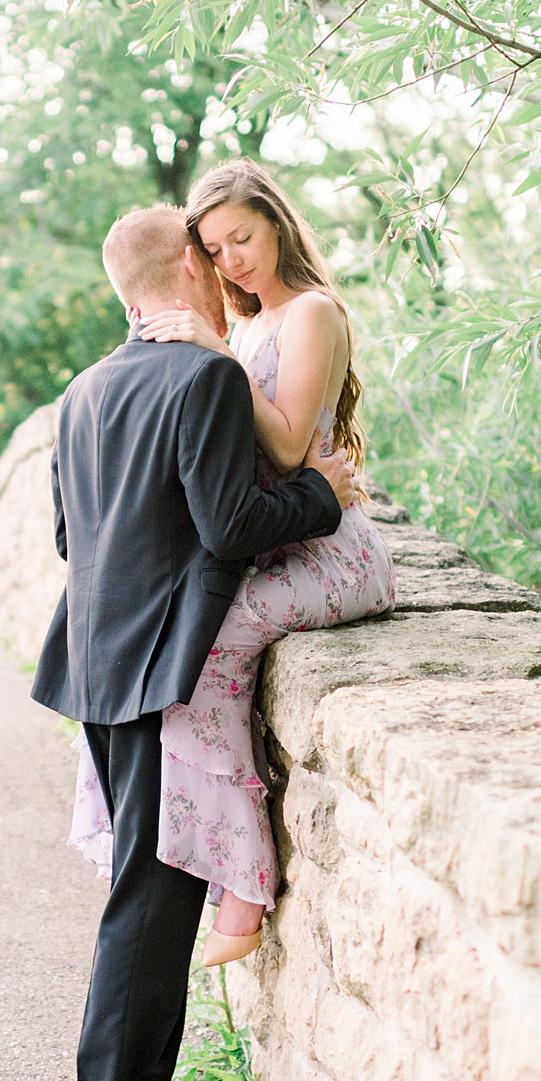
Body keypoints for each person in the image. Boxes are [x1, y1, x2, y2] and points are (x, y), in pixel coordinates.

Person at [35, 204, 363, 1081]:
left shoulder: (86, 388)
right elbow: (231, 527)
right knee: (156, 893)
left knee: (145, 888)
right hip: (164, 658)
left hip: (97, 660)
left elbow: (68, 539)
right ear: (188, 261)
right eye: (208, 254)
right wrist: (328, 496)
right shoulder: (206, 374)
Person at [69, 160, 395, 967]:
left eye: (242, 237)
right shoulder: (241, 329)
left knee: (206, 655)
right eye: (213, 251)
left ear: (277, 224)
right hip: (276, 544)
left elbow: (286, 448)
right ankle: (196, 857)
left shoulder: (308, 314)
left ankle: (244, 884)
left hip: (330, 551)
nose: (232, 262)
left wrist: (215, 349)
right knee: (185, 644)